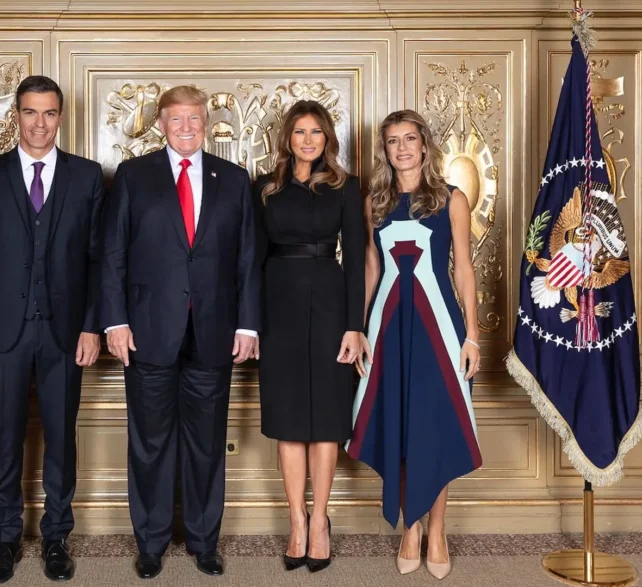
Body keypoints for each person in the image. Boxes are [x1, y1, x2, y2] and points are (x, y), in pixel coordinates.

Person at [100, 85, 260, 580]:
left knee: (207, 444)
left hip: (214, 331)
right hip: (147, 331)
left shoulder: (234, 179)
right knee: (149, 444)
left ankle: (204, 541)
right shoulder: (133, 176)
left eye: (194, 118)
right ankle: (150, 543)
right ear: (161, 124)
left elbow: (248, 258)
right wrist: (115, 321)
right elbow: (112, 254)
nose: (186, 127)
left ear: (205, 124)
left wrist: (248, 324)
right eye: (176, 119)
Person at [0, 75, 105, 584]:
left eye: (49, 113)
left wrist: (92, 327)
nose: (39, 123)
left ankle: (57, 536)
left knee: (62, 437)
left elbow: (97, 260)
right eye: (29, 112)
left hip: (66, 332)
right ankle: (6, 538)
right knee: (6, 437)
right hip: (2, 334)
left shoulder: (87, 177)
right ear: (15, 115)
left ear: (60, 116)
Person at [346, 110, 483, 580]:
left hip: (438, 328)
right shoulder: (374, 202)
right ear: (384, 150)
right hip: (388, 326)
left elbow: (464, 269)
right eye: (392, 141)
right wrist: (360, 328)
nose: (402, 148)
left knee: (435, 426)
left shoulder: (451, 199)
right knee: (399, 423)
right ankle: (411, 527)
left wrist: (472, 335)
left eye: (409, 139)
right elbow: (371, 268)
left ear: (424, 144)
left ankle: (437, 530)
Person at [252, 100, 367, 573]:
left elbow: (356, 259)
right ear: (288, 138)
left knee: (326, 419)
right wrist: (250, 323)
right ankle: (295, 520)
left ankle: (320, 520)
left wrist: (355, 326)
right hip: (277, 305)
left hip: (330, 305)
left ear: (327, 139)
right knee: (289, 419)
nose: (307, 140)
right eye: (299, 131)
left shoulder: (346, 187)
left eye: (316, 132)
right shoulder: (265, 188)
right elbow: (252, 259)